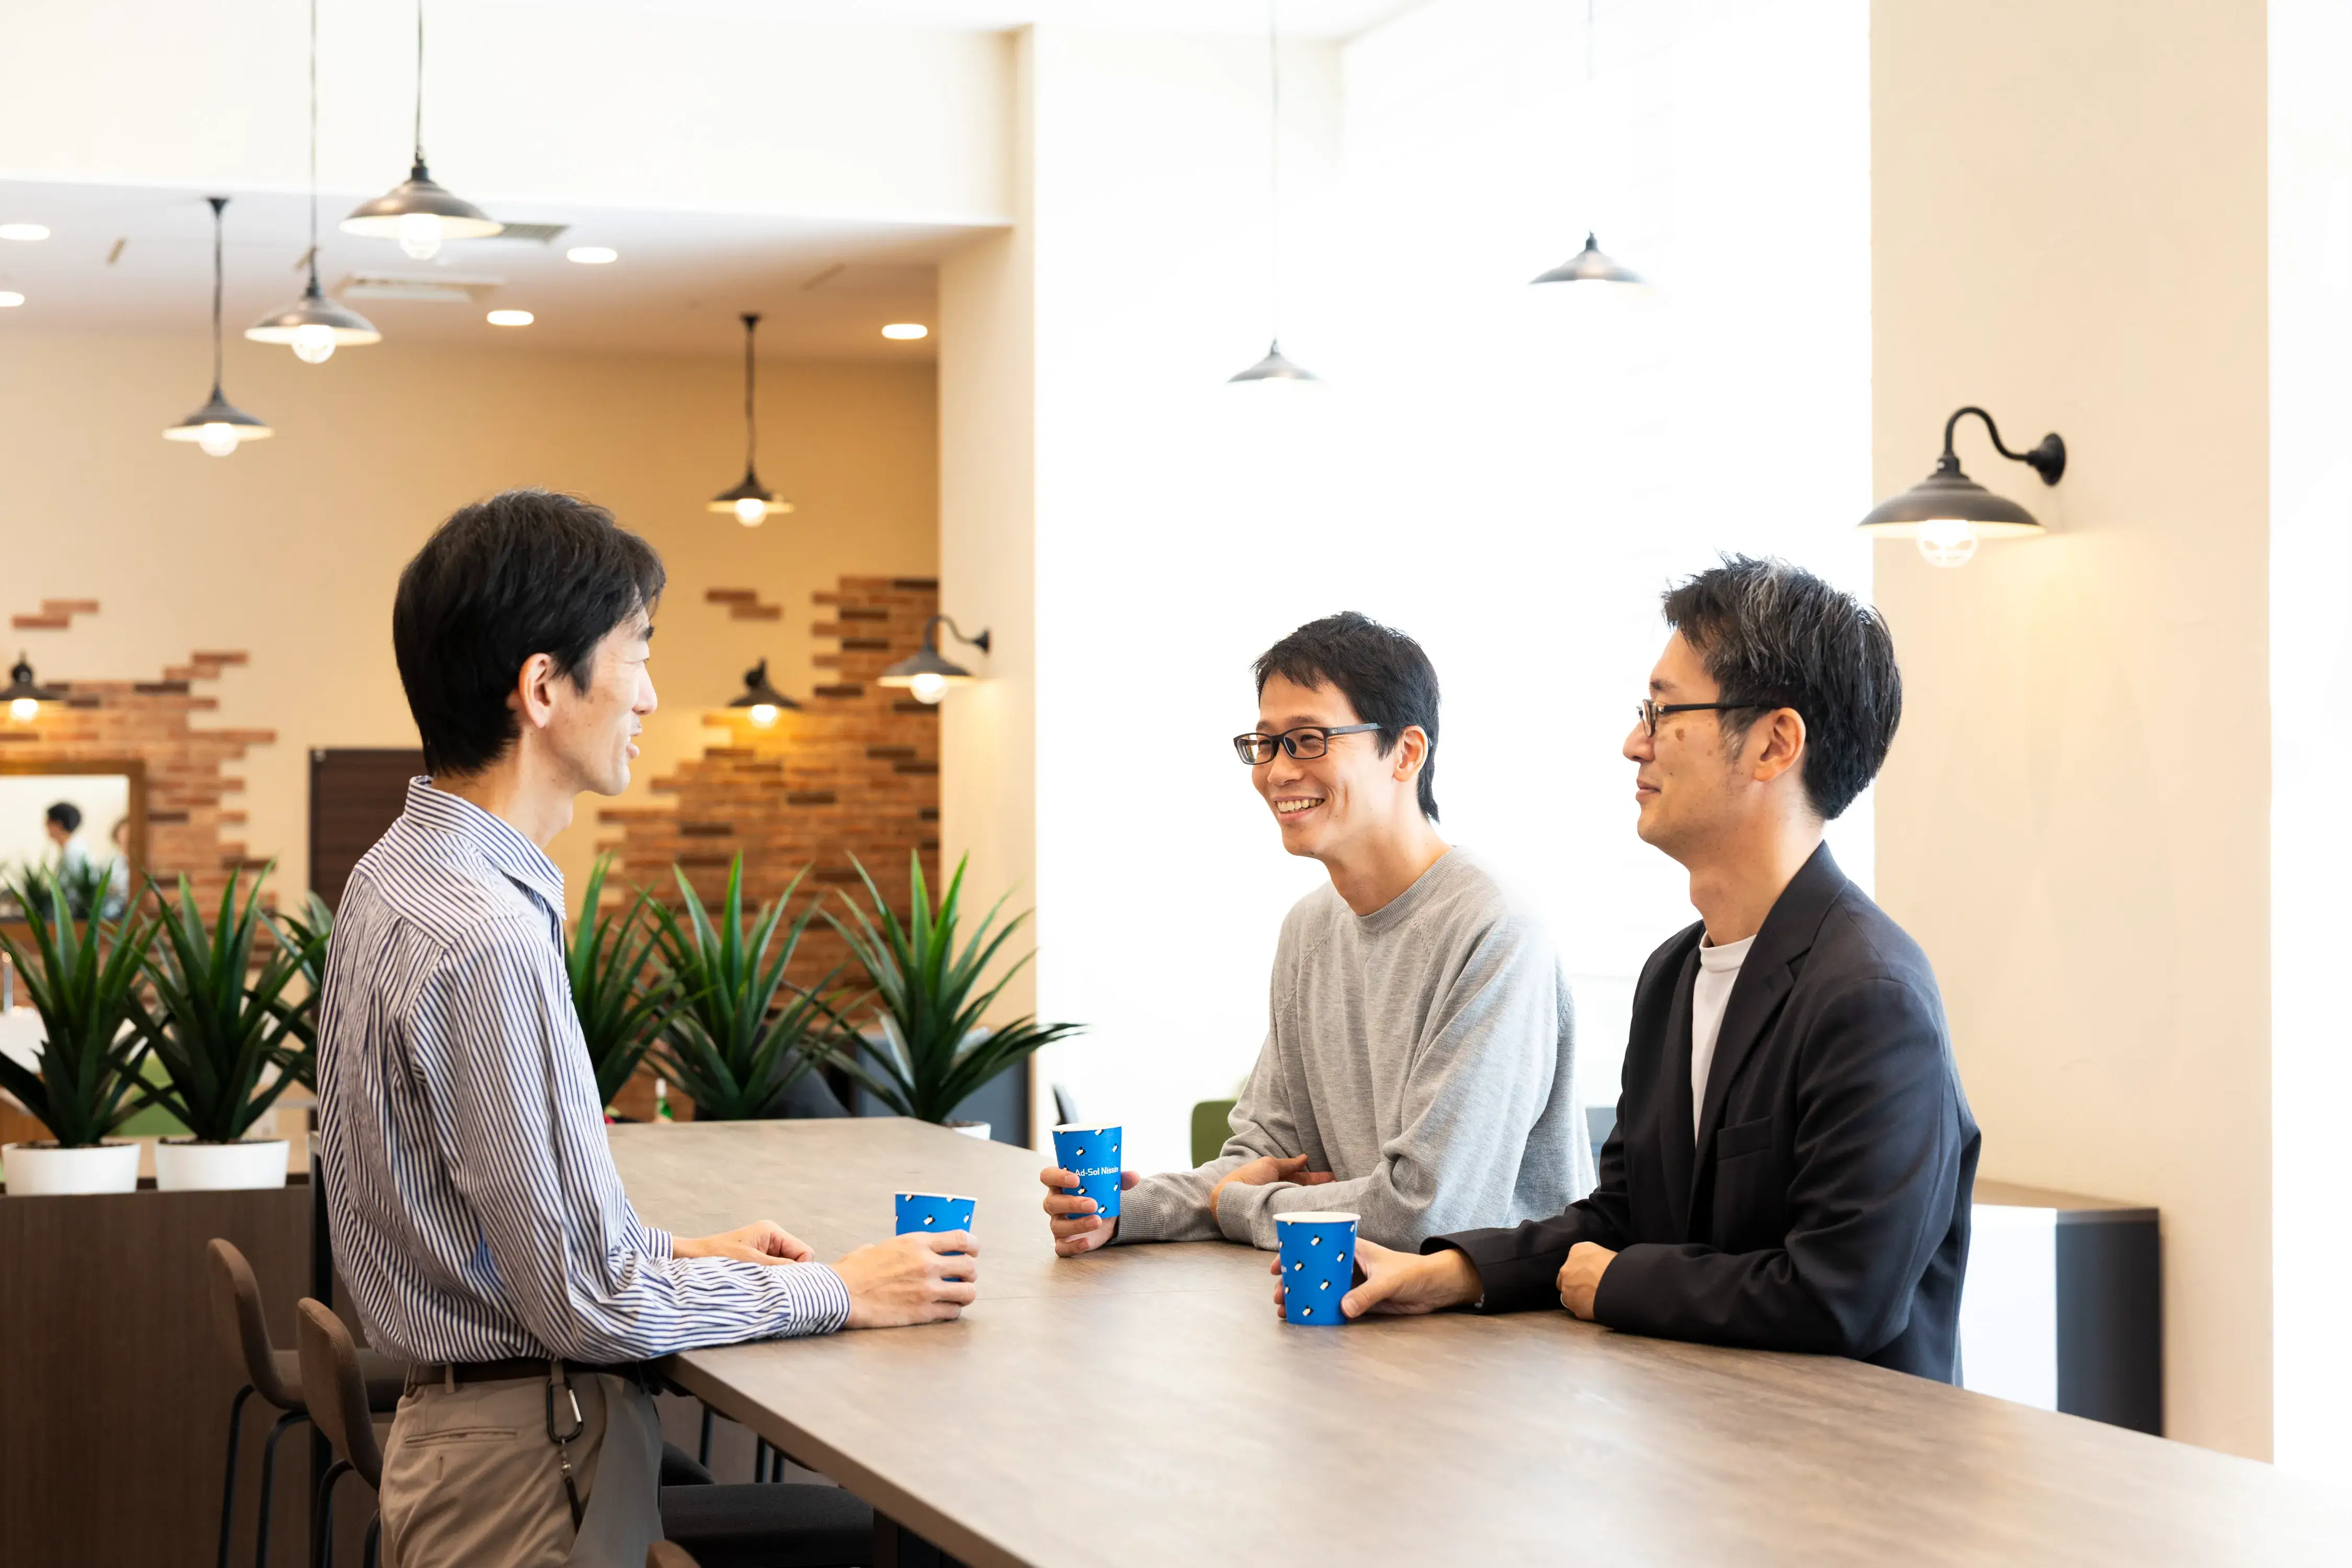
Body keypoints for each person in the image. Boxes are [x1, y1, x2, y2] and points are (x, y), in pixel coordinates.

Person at [315, 490, 976, 1568]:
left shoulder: (395, 878)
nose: (652, 695)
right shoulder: (484, 934)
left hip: (473, 1442)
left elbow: (504, 1231)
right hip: (525, 1462)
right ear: (542, 685)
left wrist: (664, 1252)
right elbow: (583, 1303)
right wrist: (839, 1289)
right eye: (637, 654)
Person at [1316, 557, 1979, 1383]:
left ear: (1775, 742)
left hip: (1844, 1478)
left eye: (1663, 713)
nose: (1636, 742)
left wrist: (1623, 1281)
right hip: (1700, 1449)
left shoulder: (1871, 995)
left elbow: (1843, 1296)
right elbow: (1624, 1215)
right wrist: (1458, 1273)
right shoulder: (1671, 976)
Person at [1041, 612, 1592, 1255]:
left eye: (1306, 740)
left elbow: (1430, 1213)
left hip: (1502, 1337)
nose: (1275, 772)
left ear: (1406, 752)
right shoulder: (1311, 927)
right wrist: (1120, 1213)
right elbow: (1264, 1152)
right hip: (1359, 1315)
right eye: (1265, 743)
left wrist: (1242, 1205)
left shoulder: (1494, 927)